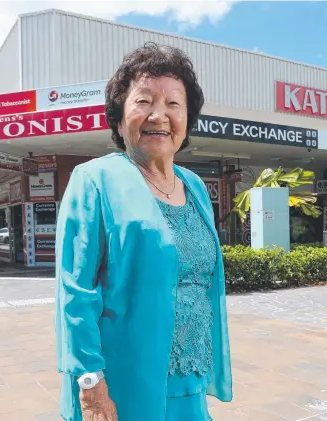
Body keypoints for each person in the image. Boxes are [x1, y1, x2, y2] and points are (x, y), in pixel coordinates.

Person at [54, 42, 233, 421]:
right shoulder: (95, 181)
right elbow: (76, 293)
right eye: (144, 101)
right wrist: (91, 386)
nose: (159, 115)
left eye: (173, 103)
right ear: (119, 119)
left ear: (187, 118)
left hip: (190, 375)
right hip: (124, 382)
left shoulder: (195, 186)